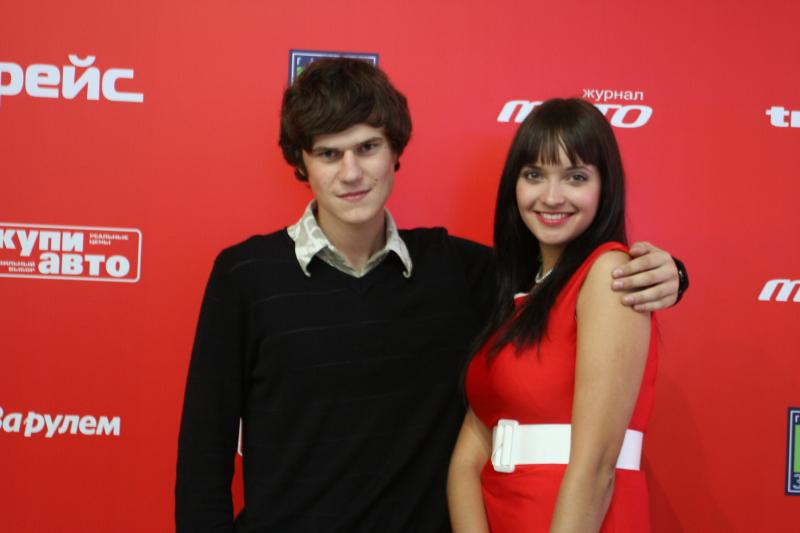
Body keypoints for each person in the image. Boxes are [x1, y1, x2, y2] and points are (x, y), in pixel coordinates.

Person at [176, 60, 684, 533]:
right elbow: (204, 458)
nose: (351, 172)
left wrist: (671, 273)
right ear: (302, 162)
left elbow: (566, 272)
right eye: (329, 153)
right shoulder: (245, 276)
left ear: (396, 151)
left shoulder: (458, 271)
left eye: (368, 147)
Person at [447, 98, 661, 532]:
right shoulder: (516, 298)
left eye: (575, 177)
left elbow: (596, 467)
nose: (551, 197)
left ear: (605, 186)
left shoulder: (609, 273)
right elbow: (468, 459)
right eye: (534, 175)